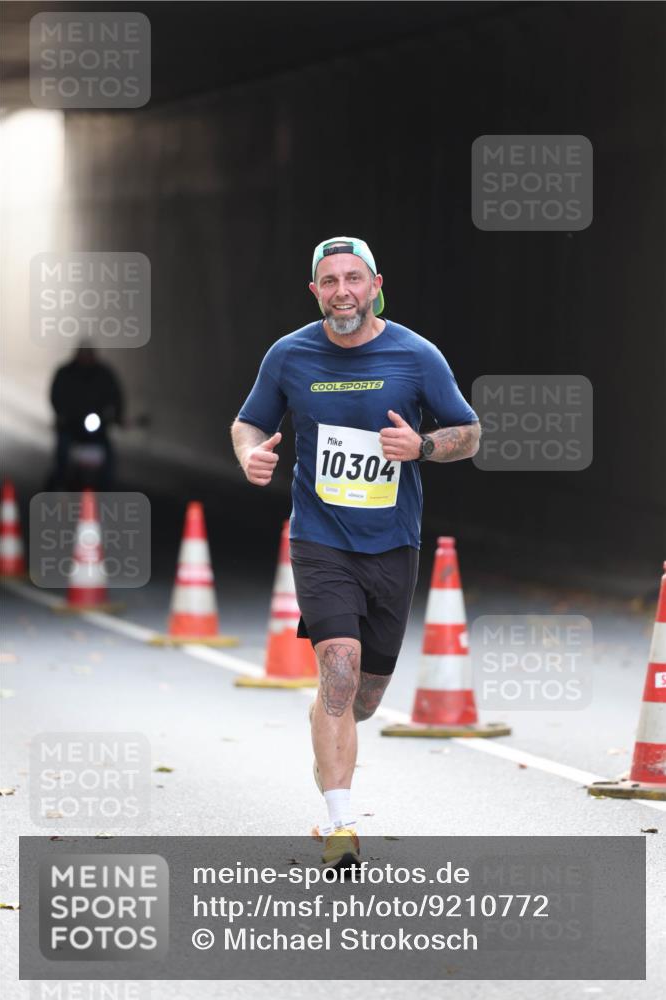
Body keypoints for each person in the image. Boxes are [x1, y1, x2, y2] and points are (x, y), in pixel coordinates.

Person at [231, 236, 480, 867]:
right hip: (320, 538)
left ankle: (330, 718)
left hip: (393, 543)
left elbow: (470, 433)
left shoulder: (416, 355)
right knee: (338, 667)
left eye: (353, 278)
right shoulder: (288, 355)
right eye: (329, 280)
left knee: (364, 697)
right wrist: (250, 454)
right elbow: (249, 421)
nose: (342, 290)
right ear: (314, 290)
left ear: (374, 285)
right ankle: (341, 826)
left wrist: (422, 448)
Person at [46, 346, 124, 490]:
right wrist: (62, 414)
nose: (86, 359)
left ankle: (107, 487)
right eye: (83, 355)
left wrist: (117, 416)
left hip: (97, 427)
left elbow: (116, 396)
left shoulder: (104, 374)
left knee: (108, 456)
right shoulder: (65, 373)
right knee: (62, 454)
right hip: (71, 425)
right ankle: (57, 485)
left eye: (89, 356)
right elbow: (55, 395)